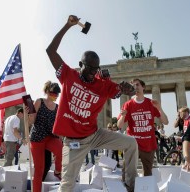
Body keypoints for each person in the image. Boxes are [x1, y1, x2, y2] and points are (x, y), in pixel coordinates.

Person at [46, 15, 138, 192]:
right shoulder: (68, 75)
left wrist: (128, 89)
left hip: (94, 135)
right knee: (66, 185)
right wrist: (67, 26)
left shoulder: (102, 84)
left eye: (95, 69)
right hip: (73, 142)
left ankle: (131, 184)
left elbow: (124, 91)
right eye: (89, 67)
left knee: (131, 143)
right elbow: (50, 51)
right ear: (80, 64)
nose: (92, 72)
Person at [117, 78, 169, 176]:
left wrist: (159, 108)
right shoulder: (127, 104)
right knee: (127, 172)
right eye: (133, 86)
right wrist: (123, 115)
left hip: (148, 143)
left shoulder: (151, 103)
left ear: (143, 87)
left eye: (137, 85)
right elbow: (119, 125)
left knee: (148, 173)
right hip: (133, 143)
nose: (135, 88)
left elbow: (165, 122)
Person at [27, 81, 63, 192]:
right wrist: (28, 112)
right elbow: (32, 121)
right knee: (39, 170)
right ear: (47, 92)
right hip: (37, 138)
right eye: (53, 93)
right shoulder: (39, 101)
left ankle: (57, 171)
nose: (55, 96)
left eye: (57, 94)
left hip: (50, 136)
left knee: (62, 151)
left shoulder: (57, 107)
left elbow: (57, 126)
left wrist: (61, 137)